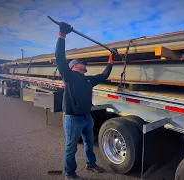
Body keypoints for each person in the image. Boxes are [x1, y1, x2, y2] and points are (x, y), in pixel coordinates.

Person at [56, 22, 114, 180]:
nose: (84, 64)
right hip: (73, 119)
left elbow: (103, 76)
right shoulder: (69, 77)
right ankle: (70, 174)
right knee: (70, 148)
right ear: (74, 66)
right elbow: (60, 58)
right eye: (82, 62)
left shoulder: (87, 80)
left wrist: (111, 61)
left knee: (89, 144)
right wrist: (62, 35)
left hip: (87, 117)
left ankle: (91, 164)